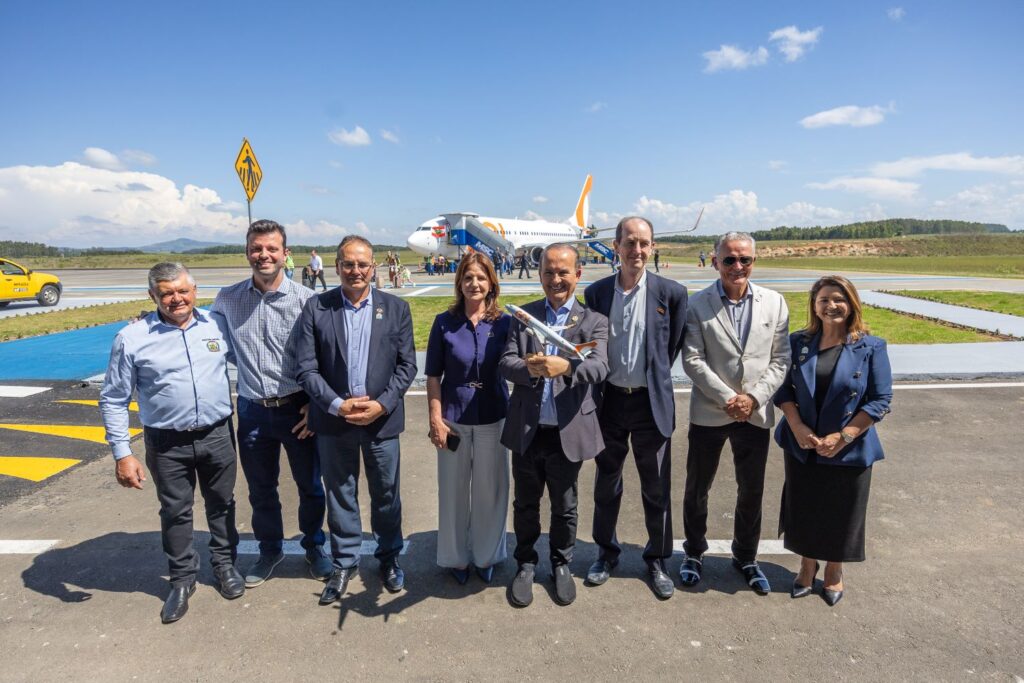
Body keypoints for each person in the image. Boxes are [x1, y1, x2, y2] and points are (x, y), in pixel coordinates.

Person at [99, 263, 243, 624]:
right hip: (167, 443)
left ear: (195, 291)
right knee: (175, 511)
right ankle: (181, 581)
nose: (176, 299)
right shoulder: (131, 338)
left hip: (218, 434)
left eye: (183, 291)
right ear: (153, 296)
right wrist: (122, 454)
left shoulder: (216, 325)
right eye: (166, 293)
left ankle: (225, 566)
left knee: (222, 504)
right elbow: (114, 398)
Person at [292, 235, 417, 605]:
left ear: (373, 266)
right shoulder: (317, 307)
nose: (356, 270)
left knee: (386, 495)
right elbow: (306, 367)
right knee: (340, 494)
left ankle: (389, 557)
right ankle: (345, 562)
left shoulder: (396, 309)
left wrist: (382, 404)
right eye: (348, 264)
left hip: (382, 421)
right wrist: (335, 405)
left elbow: (407, 366)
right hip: (334, 422)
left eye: (363, 264)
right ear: (337, 266)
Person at [212, 220, 330, 589]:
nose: (263, 255)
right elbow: (205, 340)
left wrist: (316, 406)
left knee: (310, 485)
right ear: (247, 251)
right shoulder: (227, 299)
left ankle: (314, 546)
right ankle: (270, 549)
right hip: (251, 408)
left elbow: (325, 359)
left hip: (298, 407)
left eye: (271, 249)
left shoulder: (307, 301)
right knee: (261, 488)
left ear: (285, 253)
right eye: (256, 248)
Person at [583, 217, 688, 599]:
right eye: (630, 242)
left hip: (649, 404)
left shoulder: (672, 294)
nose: (637, 250)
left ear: (653, 246)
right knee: (606, 483)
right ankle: (605, 553)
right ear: (616, 246)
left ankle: (657, 559)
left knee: (656, 486)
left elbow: (670, 348)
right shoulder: (595, 294)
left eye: (644, 243)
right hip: (609, 402)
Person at [681, 232, 791, 595]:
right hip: (711, 412)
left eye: (745, 259)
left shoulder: (775, 303)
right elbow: (693, 359)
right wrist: (730, 398)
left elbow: (781, 359)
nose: (737, 267)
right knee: (698, 488)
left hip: (754, 415)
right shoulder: (696, 304)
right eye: (729, 260)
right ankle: (693, 553)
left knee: (752, 491)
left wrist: (754, 399)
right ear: (715, 262)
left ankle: (746, 556)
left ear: (754, 262)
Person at [499, 243, 609, 607]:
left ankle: (561, 564)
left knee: (565, 506)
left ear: (578, 274)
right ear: (540, 275)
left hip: (568, 432)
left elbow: (600, 368)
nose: (555, 279)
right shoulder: (524, 316)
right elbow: (505, 363)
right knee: (525, 503)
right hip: (528, 431)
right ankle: (526, 563)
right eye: (548, 272)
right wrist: (528, 368)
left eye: (563, 272)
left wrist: (568, 367)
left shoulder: (594, 321)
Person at [773, 275, 892, 606]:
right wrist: (795, 426)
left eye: (838, 299)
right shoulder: (799, 343)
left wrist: (845, 435)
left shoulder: (871, 347)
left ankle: (835, 570)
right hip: (805, 443)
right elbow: (783, 390)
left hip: (849, 447)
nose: (831, 306)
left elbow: (880, 399)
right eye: (824, 299)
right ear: (814, 305)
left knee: (842, 511)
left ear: (851, 303)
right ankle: (807, 565)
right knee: (806, 505)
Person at [425, 253, 512, 584]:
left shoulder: (505, 323)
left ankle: (487, 555)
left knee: (491, 490)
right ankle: (455, 557)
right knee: (453, 490)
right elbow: (433, 375)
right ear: (459, 283)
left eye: (480, 277)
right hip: (453, 419)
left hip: (493, 416)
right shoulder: (443, 322)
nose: (474, 283)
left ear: (491, 282)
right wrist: (436, 417)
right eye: (467, 278)